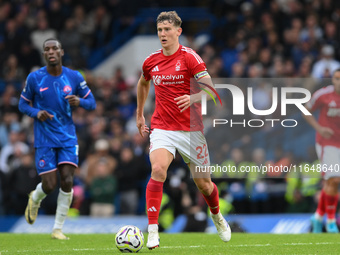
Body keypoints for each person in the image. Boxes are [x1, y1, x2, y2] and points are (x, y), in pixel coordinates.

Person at [136, 11, 231, 250]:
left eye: (167, 29)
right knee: (158, 170)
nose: (163, 34)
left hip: (191, 129)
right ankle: (153, 231)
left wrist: (194, 96)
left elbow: (212, 90)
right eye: (159, 30)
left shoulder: (190, 57)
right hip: (162, 127)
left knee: (204, 185)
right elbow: (143, 82)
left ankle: (217, 216)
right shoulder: (151, 61)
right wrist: (139, 114)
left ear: (178, 31)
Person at [18, 38, 96, 239]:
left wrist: (79, 101)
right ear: (44, 54)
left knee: (68, 180)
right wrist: (36, 113)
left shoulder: (74, 76)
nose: (51, 52)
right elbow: (23, 105)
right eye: (47, 49)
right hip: (44, 138)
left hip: (68, 137)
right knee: (50, 184)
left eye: (55, 48)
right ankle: (35, 198)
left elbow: (92, 102)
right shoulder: (35, 78)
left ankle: (57, 229)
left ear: (61, 52)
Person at [304, 68, 340, 233]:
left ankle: (318, 216)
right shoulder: (323, 95)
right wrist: (319, 128)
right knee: (334, 180)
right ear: (332, 80)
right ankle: (331, 221)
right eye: (336, 78)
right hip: (326, 143)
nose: (338, 82)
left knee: (330, 183)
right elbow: (305, 110)